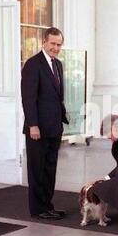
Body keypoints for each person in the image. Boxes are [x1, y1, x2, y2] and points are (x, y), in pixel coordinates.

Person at [21, 27, 69, 220]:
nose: (56, 48)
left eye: (59, 45)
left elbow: (57, 97)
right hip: (37, 128)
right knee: (37, 169)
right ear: (44, 42)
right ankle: (38, 209)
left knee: (50, 169)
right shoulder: (33, 64)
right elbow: (28, 98)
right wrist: (33, 124)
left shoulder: (58, 64)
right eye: (53, 44)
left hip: (54, 126)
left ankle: (48, 206)